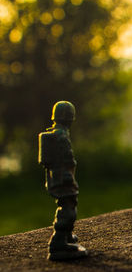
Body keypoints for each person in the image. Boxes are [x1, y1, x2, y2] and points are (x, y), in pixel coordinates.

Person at [38, 101, 88, 260]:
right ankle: (58, 243)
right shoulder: (60, 136)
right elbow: (66, 159)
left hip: (59, 178)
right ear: (69, 118)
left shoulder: (57, 134)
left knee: (68, 205)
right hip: (63, 178)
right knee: (68, 209)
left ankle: (65, 235)